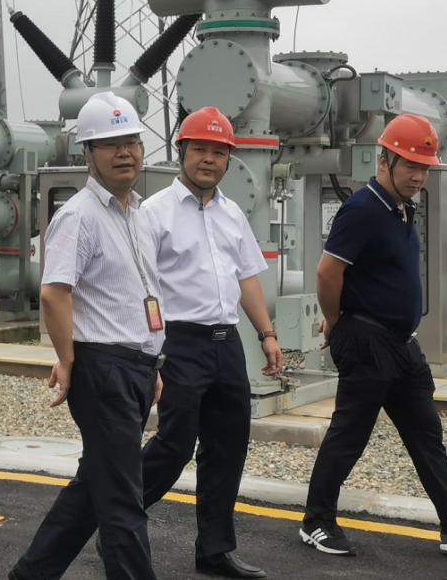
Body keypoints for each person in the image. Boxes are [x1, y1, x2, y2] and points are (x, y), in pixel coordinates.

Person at [300, 114, 447, 558]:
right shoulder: (363, 209)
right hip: (366, 339)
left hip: (401, 343)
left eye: (424, 168)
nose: (418, 176)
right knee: (350, 435)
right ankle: (316, 522)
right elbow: (328, 272)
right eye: (410, 165)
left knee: (425, 432)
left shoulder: (402, 208)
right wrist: (334, 321)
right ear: (384, 160)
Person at [9, 92, 166, 580]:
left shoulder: (139, 213)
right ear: (87, 154)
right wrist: (68, 359)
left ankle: (31, 575)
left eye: (132, 142)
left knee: (95, 487)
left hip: (135, 367)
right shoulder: (79, 215)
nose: (125, 153)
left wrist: (152, 362)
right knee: (123, 500)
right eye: (110, 145)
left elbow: (138, 293)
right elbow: (54, 293)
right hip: (103, 368)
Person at [139, 107, 283, 579]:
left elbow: (247, 278)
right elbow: (144, 289)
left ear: (228, 160)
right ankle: (118, 518)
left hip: (226, 344)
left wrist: (267, 335)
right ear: (182, 151)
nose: (209, 159)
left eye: (218, 152)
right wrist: (152, 350)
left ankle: (215, 551)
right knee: (175, 444)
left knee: (228, 446)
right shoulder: (154, 213)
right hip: (179, 342)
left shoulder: (232, 212)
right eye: (199, 149)